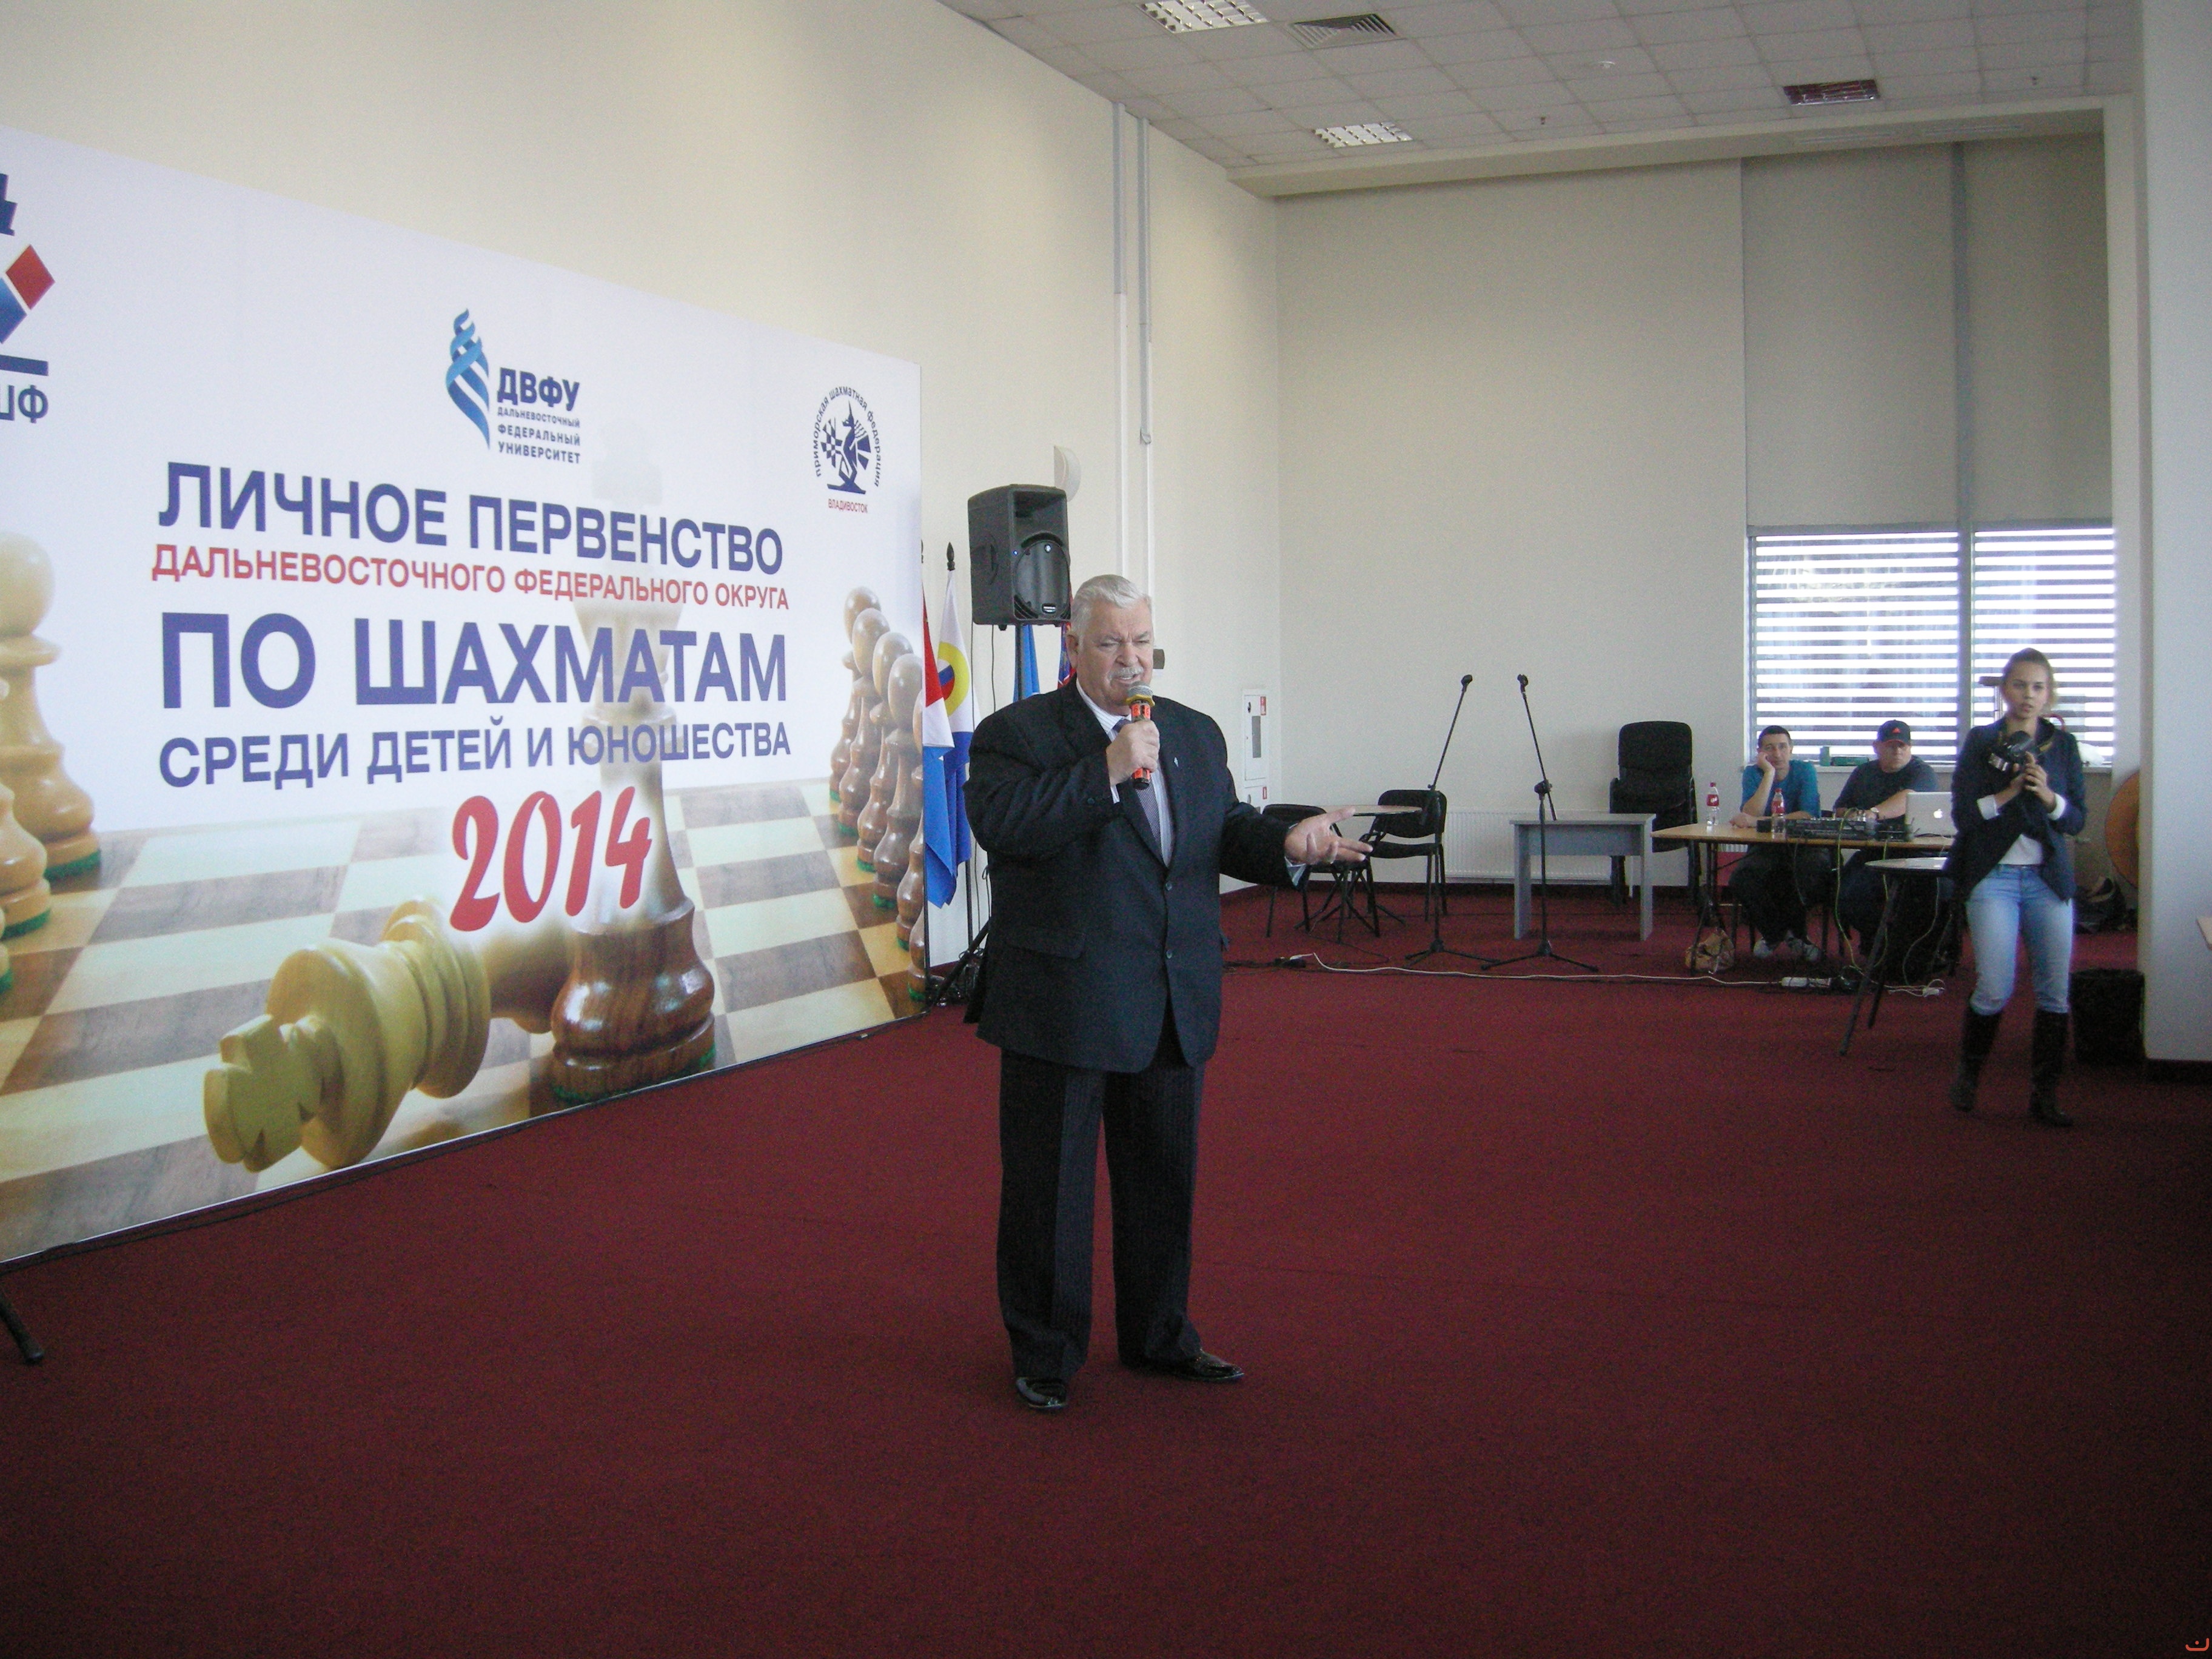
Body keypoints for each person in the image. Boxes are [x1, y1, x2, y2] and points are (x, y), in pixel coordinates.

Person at [964, 574, 1367, 1412]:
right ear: (1074, 646)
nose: (1132, 659)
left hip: (1171, 993)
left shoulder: (1190, 730)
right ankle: (1047, 1352)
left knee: (1161, 1181)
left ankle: (1159, 1335)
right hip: (1064, 999)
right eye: (1111, 642)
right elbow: (1005, 826)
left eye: (1143, 641)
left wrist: (1287, 845)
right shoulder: (1017, 734)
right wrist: (1105, 770)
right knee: (1050, 1191)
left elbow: (1221, 831)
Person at [1945, 649, 2086, 1125]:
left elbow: (2076, 820)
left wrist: (2047, 796)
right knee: (1994, 986)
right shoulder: (1982, 741)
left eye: (2038, 687)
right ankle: (1969, 1075)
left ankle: (2045, 1094)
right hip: (1995, 878)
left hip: (2047, 879)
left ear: (2050, 695)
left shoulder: (2062, 746)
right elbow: (1965, 816)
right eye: (2020, 685)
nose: (2029, 695)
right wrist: (2007, 793)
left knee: (2054, 992)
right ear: (2005, 689)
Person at [1832, 719, 1939, 947]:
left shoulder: (1922, 772)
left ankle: (1898, 947)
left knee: (1919, 900)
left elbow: (1907, 799)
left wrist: (1873, 813)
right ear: (1877, 747)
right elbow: (1840, 809)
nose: (1898, 751)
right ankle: (1879, 942)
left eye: (1903, 746)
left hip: (1914, 856)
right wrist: (1854, 815)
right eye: (1891, 746)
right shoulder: (1863, 772)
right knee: (1847, 893)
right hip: (1873, 853)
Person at [1727, 725, 1825, 961]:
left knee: (1806, 872)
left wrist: (1758, 822)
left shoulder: (1805, 770)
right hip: (1766, 846)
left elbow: (1807, 814)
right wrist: (1769, 774)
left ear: (1791, 749)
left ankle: (1797, 935)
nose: (1777, 754)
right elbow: (1750, 812)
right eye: (1770, 748)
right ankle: (1779, 934)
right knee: (1741, 878)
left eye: (1782, 747)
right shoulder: (1754, 773)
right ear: (1761, 752)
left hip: (1804, 846)